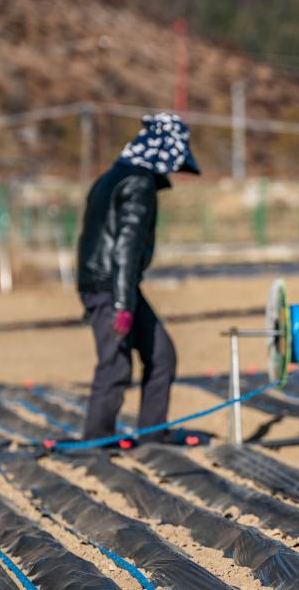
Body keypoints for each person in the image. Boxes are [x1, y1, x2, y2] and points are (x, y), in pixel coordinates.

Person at [76, 112, 200, 443]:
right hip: (112, 287)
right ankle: (97, 440)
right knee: (115, 365)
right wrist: (122, 304)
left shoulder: (113, 176)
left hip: (110, 284)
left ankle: (152, 434)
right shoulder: (138, 183)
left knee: (161, 355)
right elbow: (126, 249)